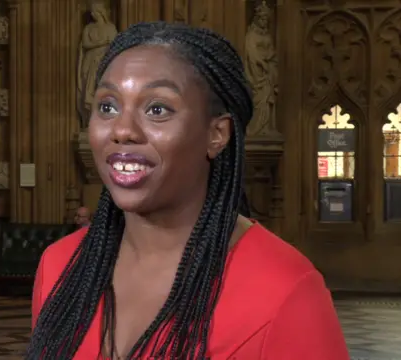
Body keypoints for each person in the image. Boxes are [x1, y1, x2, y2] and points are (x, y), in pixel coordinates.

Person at [28, 22, 349, 359]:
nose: (122, 130)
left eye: (157, 109)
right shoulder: (61, 266)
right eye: (108, 106)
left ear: (217, 134)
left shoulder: (286, 290)